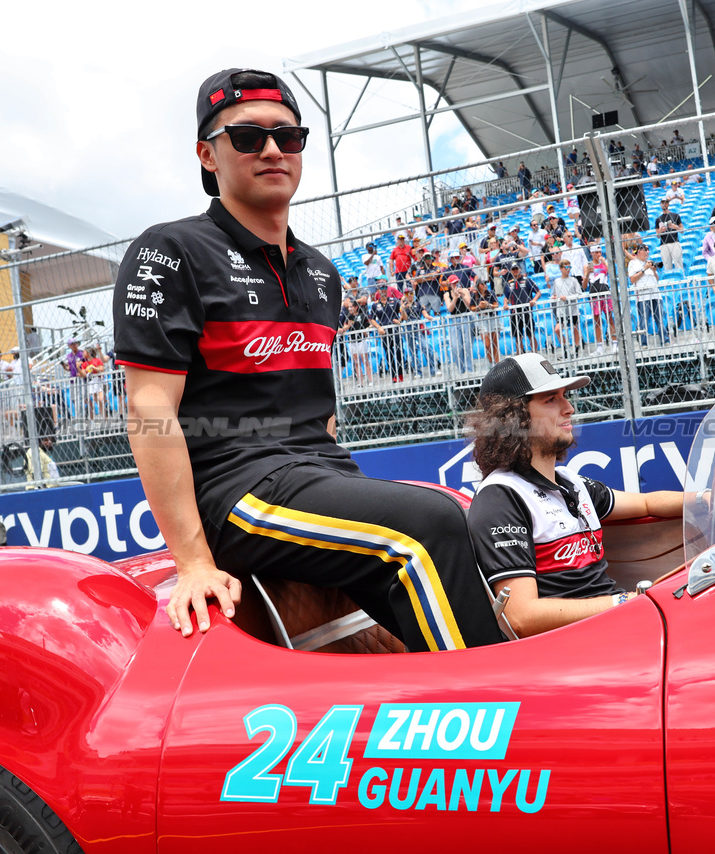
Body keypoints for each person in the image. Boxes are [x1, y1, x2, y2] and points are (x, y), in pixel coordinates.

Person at [112, 68, 503, 651]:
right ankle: (499, 714)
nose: (272, 149)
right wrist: (193, 561)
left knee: (456, 512)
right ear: (208, 156)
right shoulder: (169, 251)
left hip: (315, 475)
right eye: (247, 137)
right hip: (236, 489)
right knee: (427, 523)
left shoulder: (321, 272)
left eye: (288, 136)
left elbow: (318, 411)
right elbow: (149, 409)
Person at [465, 355, 684, 637]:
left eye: (565, 396)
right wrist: (623, 603)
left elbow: (646, 503)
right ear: (513, 418)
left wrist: (710, 499)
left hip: (617, 626)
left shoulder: (570, 481)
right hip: (579, 645)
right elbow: (520, 616)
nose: (569, 408)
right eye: (550, 400)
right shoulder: (501, 497)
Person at [629, 244, 667, 346]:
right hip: (643, 296)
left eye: (648, 250)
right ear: (639, 251)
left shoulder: (649, 263)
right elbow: (632, 279)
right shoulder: (633, 263)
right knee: (643, 321)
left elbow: (656, 279)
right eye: (645, 250)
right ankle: (644, 343)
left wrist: (654, 271)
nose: (647, 252)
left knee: (660, 319)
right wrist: (644, 269)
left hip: (655, 294)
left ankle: (665, 340)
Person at [550, 260, 583, 356]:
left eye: (569, 267)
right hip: (562, 310)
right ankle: (565, 346)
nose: (568, 270)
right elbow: (554, 294)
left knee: (575, 327)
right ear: (561, 269)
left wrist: (568, 297)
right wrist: (555, 297)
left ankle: (576, 347)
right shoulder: (557, 281)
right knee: (557, 329)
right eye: (566, 267)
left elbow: (579, 293)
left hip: (572, 309)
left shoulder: (573, 280)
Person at [654, 199, 684, 274]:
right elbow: (657, 235)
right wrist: (661, 230)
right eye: (662, 203)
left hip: (674, 241)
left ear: (668, 204)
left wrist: (675, 227)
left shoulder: (675, 216)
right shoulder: (658, 219)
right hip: (664, 244)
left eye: (665, 203)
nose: (664, 204)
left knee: (678, 264)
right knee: (667, 266)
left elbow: (682, 230)